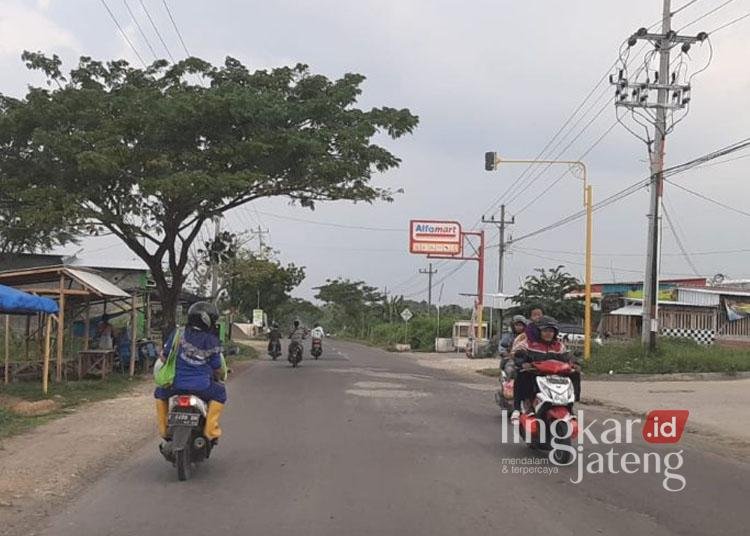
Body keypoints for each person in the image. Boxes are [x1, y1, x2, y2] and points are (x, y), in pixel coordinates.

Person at [154, 301, 227, 443]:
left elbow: (164, 356)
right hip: (202, 387)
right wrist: (217, 376)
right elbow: (217, 367)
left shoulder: (178, 333)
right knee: (220, 393)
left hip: (175, 386)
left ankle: (163, 430)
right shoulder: (212, 340)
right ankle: (210, 430)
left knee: (159, 393)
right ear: (207, 320)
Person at [513, 316, 581, 420]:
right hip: (536, 374)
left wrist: (575, 364)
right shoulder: (528, 344)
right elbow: (518, 355)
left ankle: (569, 406)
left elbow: (568, 357)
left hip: (556, 376)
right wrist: (523, 363)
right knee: (521, 374)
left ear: (555, 333)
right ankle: (520, 407)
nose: (548, 333)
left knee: (575, 374)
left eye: (551, 331)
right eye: (545, 331)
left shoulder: (559, 346)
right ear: (539, 331)